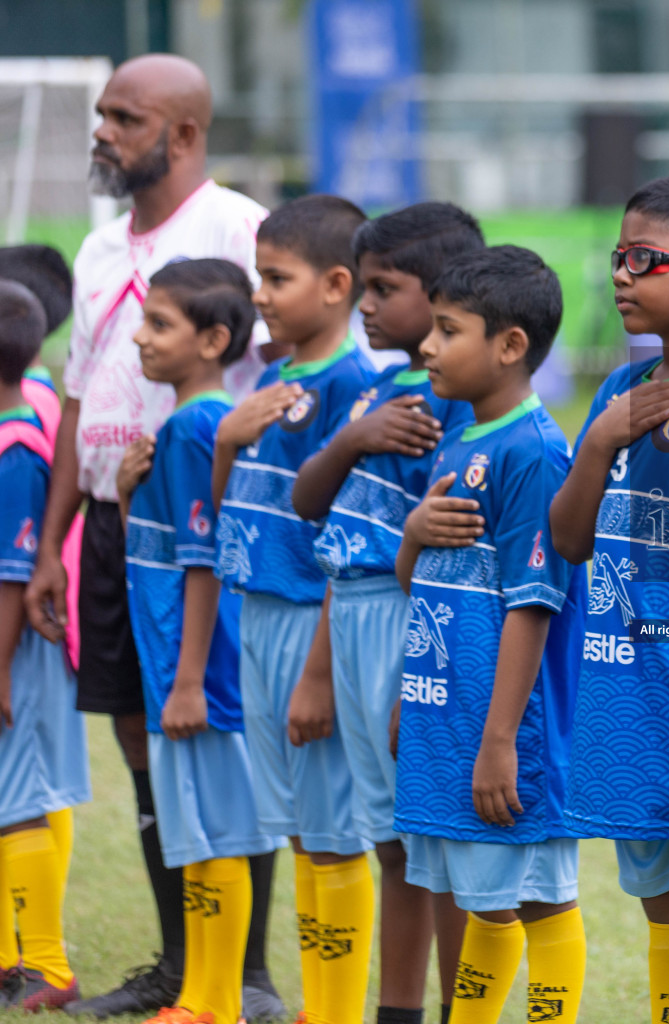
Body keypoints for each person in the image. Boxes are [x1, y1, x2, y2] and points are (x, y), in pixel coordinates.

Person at [19, 54, 279, 1020]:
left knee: (222, 736)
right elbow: (79, 402)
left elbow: (287, 381)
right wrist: (53, 543)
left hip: (214, 531)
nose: (103, 132)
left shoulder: (242, 231)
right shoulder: (94, 253)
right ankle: (179, 967)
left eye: (124, 118)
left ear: (181, 134)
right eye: (102, 115)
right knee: (141, 739)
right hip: (109, 525)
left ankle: (243, 978)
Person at [548, 176, 669, 1024]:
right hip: (626, 701)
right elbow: (568, 541)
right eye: (617, 258)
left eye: (643, 259)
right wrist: (597, 441)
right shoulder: (611, 397)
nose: (621, 275)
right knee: (661, 900)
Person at [289, 202, 484, 1024]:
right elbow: (314, 512)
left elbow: (454, 561)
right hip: (356, 618)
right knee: (391, 841)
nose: (365, 305)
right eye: (363, 287)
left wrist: (421, 675)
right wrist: (351, 439)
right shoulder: (374, 393)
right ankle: (394, 1011)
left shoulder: (460, 402)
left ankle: (454, 1009)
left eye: (384, 288)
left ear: (442, 297)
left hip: (415, 624)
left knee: (437, 846)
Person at [392, 245, 587, 1024]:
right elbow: (424, 583)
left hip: (501, 730)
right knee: (483, 899)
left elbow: (532, 604)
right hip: (449, 718)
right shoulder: (461, 439)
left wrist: (501, 738)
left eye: (447, 330)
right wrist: (410, 535)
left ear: (510, 345)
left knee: (538, 899)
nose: (427, 348)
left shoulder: (532, 452)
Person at [211, 195, 376, 1024]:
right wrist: (227, 441)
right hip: (258, 619)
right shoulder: (271, 379)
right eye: (257, 277)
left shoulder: (354, 385)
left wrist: (320, 670)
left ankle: (338, 1010)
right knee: (301, 828)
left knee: (333, 827)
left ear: (338, 284)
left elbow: (341, 543)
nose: (262, 295)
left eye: (277, 278)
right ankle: (321, 1003)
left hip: (315, 621)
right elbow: (228, 507)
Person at [118, 259, 279, 1024]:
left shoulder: (194, 426)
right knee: (201, 834)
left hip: (197, 678)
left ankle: (210, 1000)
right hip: (179, 668)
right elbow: (160, 550)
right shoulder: (193, 426)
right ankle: (202, 995)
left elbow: (205, 560)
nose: (140, 338)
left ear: (214, 339)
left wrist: (186, 680)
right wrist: (125, 497)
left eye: (159, 324)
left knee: (214, 834)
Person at [0, 281, 90, 1010]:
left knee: (21, 801)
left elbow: (12, 581)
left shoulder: (20, 452)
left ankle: (48, 964)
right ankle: (9, 957)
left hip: (13, 655)